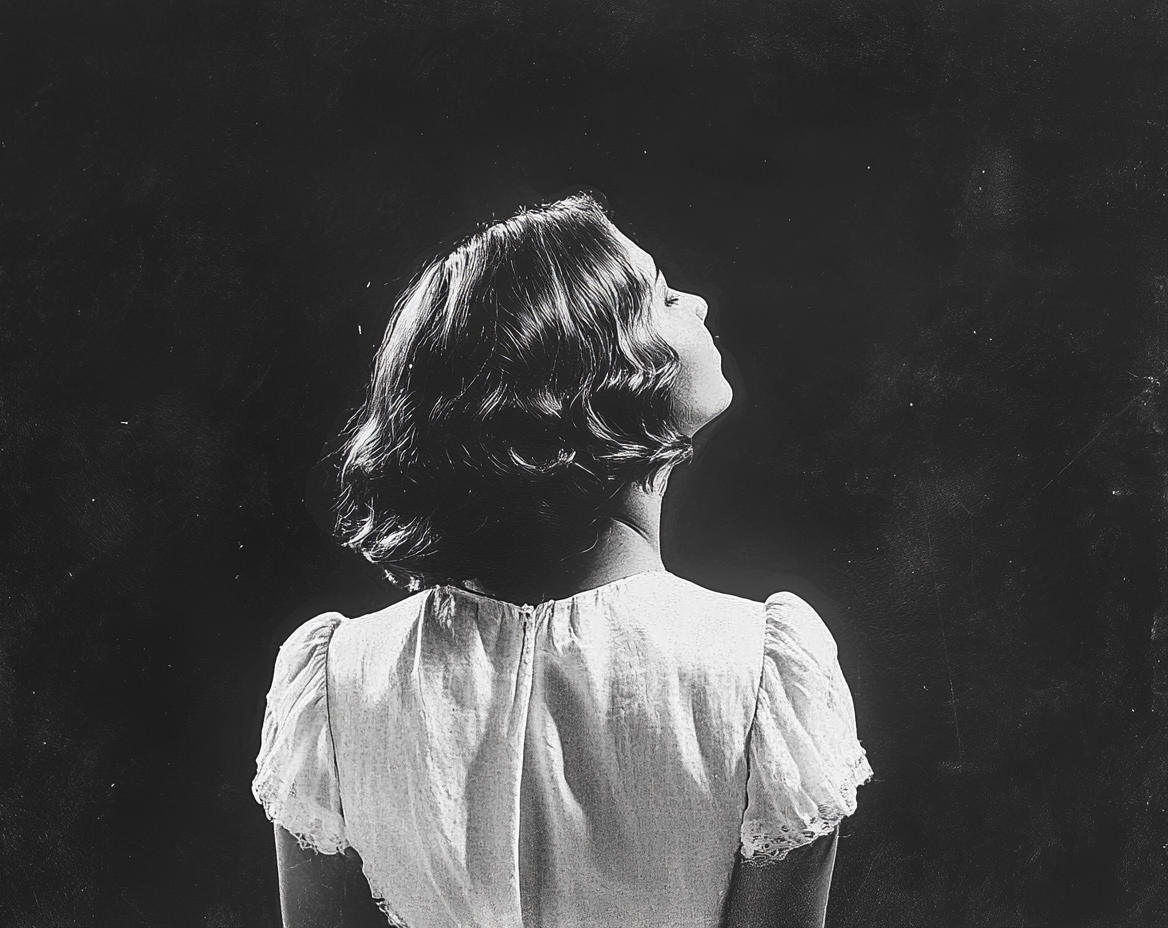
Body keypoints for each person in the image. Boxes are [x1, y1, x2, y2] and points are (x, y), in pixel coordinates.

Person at [252, 193, 872, 927]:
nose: (699, 302)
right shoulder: (761, 670)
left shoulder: (339, 678)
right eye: (664, 296)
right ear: (604, 372)